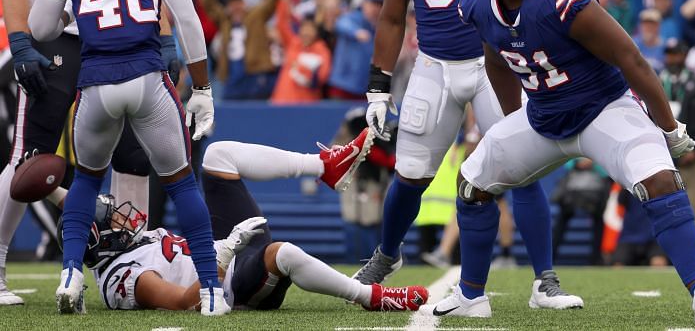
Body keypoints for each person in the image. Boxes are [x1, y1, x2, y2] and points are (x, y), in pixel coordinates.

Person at [431, 0, 695, 324]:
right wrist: (509, 122)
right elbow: (496, 57)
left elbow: (631, 58)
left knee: (659, 179)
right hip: (543, 116)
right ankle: (471, 295)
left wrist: (668, 128)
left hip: (603, 110)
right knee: (472, 183)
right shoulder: (477, 2)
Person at [359, 0, 582, 310]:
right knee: (411, 173)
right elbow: (393, 15)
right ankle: (387, 254)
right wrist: (379, 86)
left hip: (495, 66)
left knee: (522, 171)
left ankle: (544, 279)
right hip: (435, 65)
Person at [29, 0, 225, 316]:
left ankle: (71, 275)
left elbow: (39, 28)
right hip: (147, 79)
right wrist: (202, 88)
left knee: (86, 183)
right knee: (181, 183)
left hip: (96, 83)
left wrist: (70, 11)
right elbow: (187, 21)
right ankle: (212, 291)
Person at [0, 0, 171, 306]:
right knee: (30, 155)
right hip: (57, 34)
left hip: (117, 33)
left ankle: (131, 264)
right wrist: (21, 40)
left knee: (136, 153)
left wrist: (163, 37)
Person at [44, 126, 428, 313]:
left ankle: (325, 166)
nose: (122, 218)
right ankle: (371, 296)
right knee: (285, 253)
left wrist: (45, 185)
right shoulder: (129, 278)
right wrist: (226, 252)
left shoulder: (113, 250)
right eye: (113, 221)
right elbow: (182, 302)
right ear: (103, 242)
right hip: (229, 282)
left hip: (224, 250)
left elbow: (79, 216)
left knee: (218, 156)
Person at [659, 39, 695, 236]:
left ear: (684, 55)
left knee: (692, 206)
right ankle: (661, 254)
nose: (672, 58)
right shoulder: (657, 80)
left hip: (691, 156)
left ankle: (694, 253)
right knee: (663, 206)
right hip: (661, 156)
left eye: (676, 54)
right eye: (669, 54)